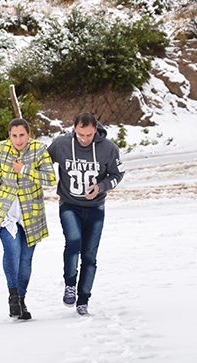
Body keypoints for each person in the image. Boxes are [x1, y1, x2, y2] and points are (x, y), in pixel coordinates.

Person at [48, 112, 125, 316]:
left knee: (90, 255)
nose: (84, 139)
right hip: (69, 204)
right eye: (80, 134)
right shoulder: (61, 144)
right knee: (73, 242)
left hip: (95, 208)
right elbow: (42, 162)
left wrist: (101, 186)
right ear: (74, 129)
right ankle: (70, 284)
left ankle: (83, 300)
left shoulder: (109, 148)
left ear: (95, 130)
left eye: (89, 135)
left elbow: (118, 174)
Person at [0, 118, 56, 320]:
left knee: (26, 258)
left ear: (29, 134)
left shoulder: (38, 149)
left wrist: (25, 170)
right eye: (14, 135)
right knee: (12, 251)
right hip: (5, 210)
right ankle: (13, 295)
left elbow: (51, 180)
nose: (18, 140)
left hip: (30, 212)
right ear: (9, 135)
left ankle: (22, 300)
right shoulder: (1, 149)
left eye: (22, 135)